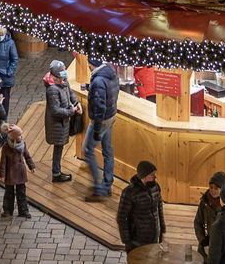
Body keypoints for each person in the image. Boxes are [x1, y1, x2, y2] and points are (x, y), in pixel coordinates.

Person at [83, 60, 119, 200]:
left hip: (101, 120)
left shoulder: (98, 80)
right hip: (111, 116)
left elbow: (99, 107)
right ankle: (107, 184)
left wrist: (97, 129)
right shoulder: (110, 71)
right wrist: (90, 88)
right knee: (107, 150)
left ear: (92, 64)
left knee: (87, 150)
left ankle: (98, 189)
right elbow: (109, 93)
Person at [117, 159, 166, 253]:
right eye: (152, 174)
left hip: (154, 236)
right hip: (137, 240)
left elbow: (159, 208)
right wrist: (127, 240)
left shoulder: (155, 187)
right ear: (143, 175)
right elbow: (121, 217)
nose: (155, 177)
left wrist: (162, 229)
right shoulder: (129, 192)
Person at [44, 59, 80, 183]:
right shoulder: (52, 90)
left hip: (63, 121)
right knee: (58, 147)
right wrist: (71, 111)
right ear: (55, 76)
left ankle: (57, 171)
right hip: (57, 124)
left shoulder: (62, 80)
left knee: (59, 147)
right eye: (61, 74)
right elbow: (55, 110)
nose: (64, 77)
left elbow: (70, 91)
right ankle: (56, 173)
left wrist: (76, 102)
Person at [0, 123, 35, 218]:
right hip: (10, 173)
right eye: (19, 135)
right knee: (9, 193)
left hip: (20, 172)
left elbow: (27, 156)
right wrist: (2, 174)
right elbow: (3, 162)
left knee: (21, 193)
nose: (21, 137)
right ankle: (7, 210)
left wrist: (31, 166)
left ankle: (23, 211)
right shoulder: (6, 147)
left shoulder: (22, 144)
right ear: (13, 138)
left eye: (20, 135)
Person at [194, 170, 225, 257]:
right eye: (211, 187)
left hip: (223, 248)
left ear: (223, 189)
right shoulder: (204, 202)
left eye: (216, 188)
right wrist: (203, 241)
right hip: (207, 243)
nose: (213, 190)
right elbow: (197, 222)